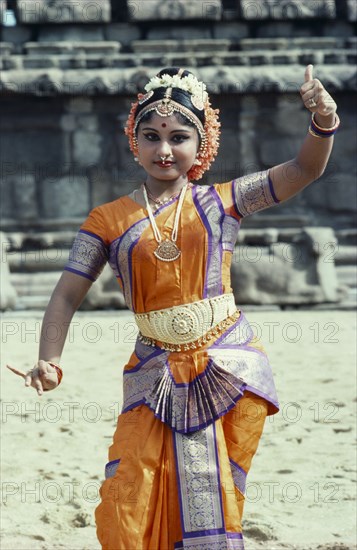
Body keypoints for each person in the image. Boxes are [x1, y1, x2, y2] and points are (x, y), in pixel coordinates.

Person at [7, 65, 339, 549]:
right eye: (151, 136)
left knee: (214, 491)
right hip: (154, 369)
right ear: (133, 140)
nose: (164, 149)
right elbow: (66, 293)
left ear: (201, 144)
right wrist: (49, 359)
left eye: (179, 136)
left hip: (227, 364)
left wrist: (323, 120)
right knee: (127, 494)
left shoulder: (223, 202)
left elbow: (304, 170)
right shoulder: (107, 220)